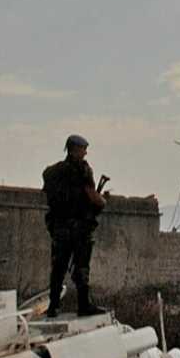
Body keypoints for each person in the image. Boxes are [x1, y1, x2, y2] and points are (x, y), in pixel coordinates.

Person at [42, 134, 107, 317]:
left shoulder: (53, 172)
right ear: (74, 150)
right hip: (79, 228)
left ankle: (53, 306)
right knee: (81, 267)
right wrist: (103, 201)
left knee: (58, 268)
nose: (85, 153)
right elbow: (92, 196)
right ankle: (83, 305)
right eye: (83, 149)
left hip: (59, 228)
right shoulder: (83, 170)